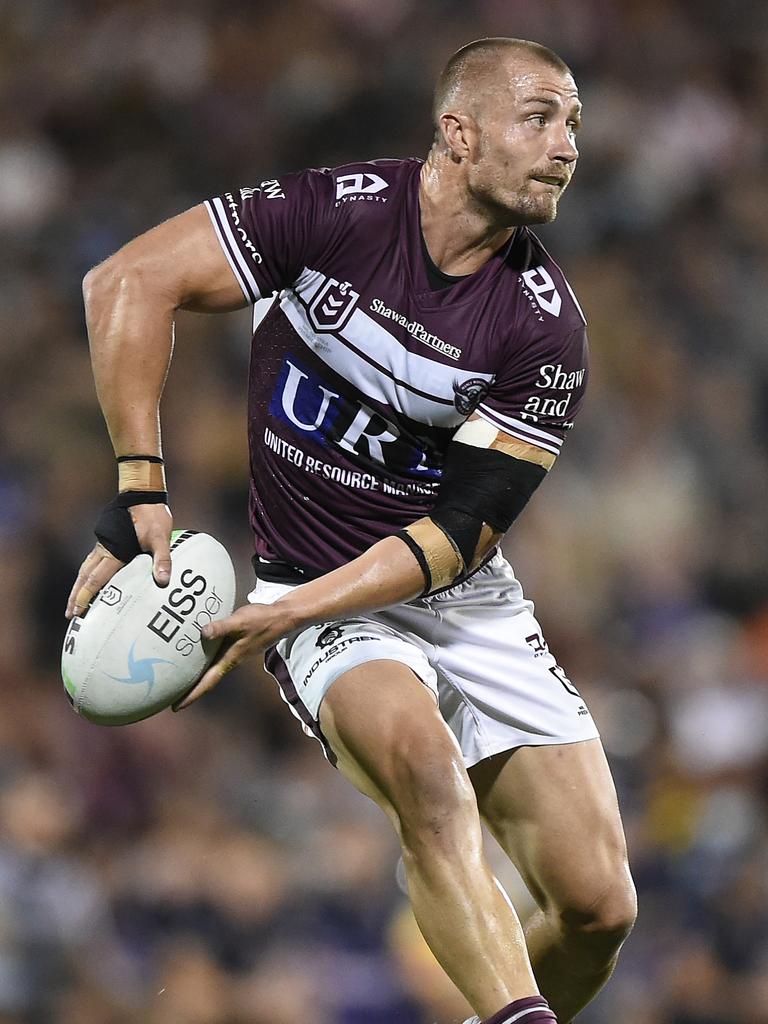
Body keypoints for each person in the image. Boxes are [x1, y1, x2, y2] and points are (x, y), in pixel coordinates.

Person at [67, 37, 637, 1024]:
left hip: (455, 593)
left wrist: (278, 618)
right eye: (540, 117)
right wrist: (138, 493)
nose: (565, 145)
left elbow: (456, 537)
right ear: (459, 133)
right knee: (423, 768)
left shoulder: (546, 330)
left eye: (575, 124)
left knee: (599, 907)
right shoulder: (336, 213)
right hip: (315, 587)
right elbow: (125, 281)